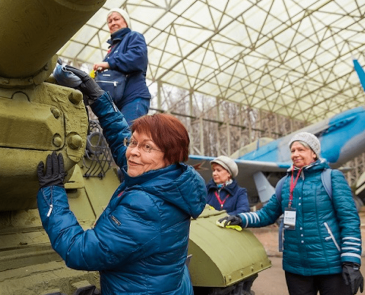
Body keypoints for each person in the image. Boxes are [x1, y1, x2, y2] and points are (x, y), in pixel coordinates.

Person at [36, 65, 206, 294]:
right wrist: (98, 99)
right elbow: (121, 139)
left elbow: (80, 251)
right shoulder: (171, 180)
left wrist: (51, 194)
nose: (133, 152)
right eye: (134, 143)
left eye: (147, 147)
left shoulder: (145, 207)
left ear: (170, 155)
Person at [218, 132, 364, 295]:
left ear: (313, 153)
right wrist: (241, 218)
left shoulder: (332, 178)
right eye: (293, 151)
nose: (295, 154)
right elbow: (266, 214)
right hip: (296, 268)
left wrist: (351, 261)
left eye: (301, 149)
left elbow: (349, 221)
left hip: (331, 267)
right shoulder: (285, 184)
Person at [92, 8, 151, 126]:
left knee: (128, 138)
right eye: (109, 21)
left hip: (133, 98)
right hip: (116, 104)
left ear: (126, 21)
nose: (113, 23)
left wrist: (109, 64)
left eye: (116, 19)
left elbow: (138, 58)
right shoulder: (112, 50)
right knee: (116, 141)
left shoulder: (134, 36)